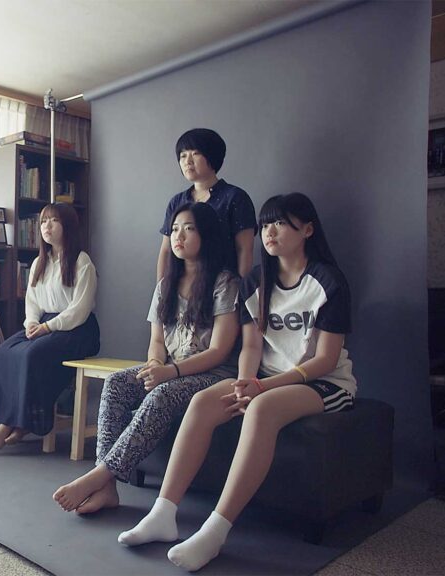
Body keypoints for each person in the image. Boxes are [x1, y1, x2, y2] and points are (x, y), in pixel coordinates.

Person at [121, 193, 356, 572]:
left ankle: (215, 531)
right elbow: (250, 345)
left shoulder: (328, 281)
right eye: (265, 225)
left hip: (323, 383)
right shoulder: (255, 281)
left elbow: (326, 358)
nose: (269, 232)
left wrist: (261, 390)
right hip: (264, 377)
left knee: (260, 409)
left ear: (307, 230)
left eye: (280, 223)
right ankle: (163, 513)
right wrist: (246, 381)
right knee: (203, 401)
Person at [53, 202, 240, 514]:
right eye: (175, 229)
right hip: (172, 367)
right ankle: (108, 488)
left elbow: (219, 351)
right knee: (116, 383)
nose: (179, 236)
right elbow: (156, 341)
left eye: (189, 228)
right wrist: (155, 365)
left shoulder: (224, 282)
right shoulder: (165, 284)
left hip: (215, 373)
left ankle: (100, 474)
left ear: (207, 235)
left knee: (164, 393)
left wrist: (169, 372)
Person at [0, 202, 101, 449]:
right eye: (43, 221)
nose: (46, 227)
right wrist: (31, 323)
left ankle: (18, 423)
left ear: (67, 226)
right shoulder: (41, 262)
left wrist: (48, 328)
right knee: (5, 351)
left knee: (33, 354)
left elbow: (79, 310)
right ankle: (15, 420)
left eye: (54, 221)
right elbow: (32, 301)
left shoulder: (82, 262)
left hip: (78, 329)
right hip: (45, 324)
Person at [157, 128, 256, 280]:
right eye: (183, 156)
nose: (187, 161)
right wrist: (162, 292)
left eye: (195, 153)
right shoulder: (177, 201)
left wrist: (241, 294)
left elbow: (245, 249)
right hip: (182, 287)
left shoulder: (235, 197)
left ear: (212, 156)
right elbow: (166, 250)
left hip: (222, 287)